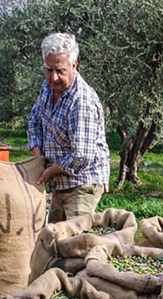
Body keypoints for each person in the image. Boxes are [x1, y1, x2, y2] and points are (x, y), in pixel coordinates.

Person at [27, 32, 110, 223]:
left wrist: (50, 170)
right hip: (60, 181)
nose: (54, 77)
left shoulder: (81, 101)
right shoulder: (47, 88)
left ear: (74, 65)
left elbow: (82, 155)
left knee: (73, 238)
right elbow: (34, 120)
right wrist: (38, 156)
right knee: (53, 233)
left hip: (83, 180)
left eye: (60, 71)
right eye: (49, 70)